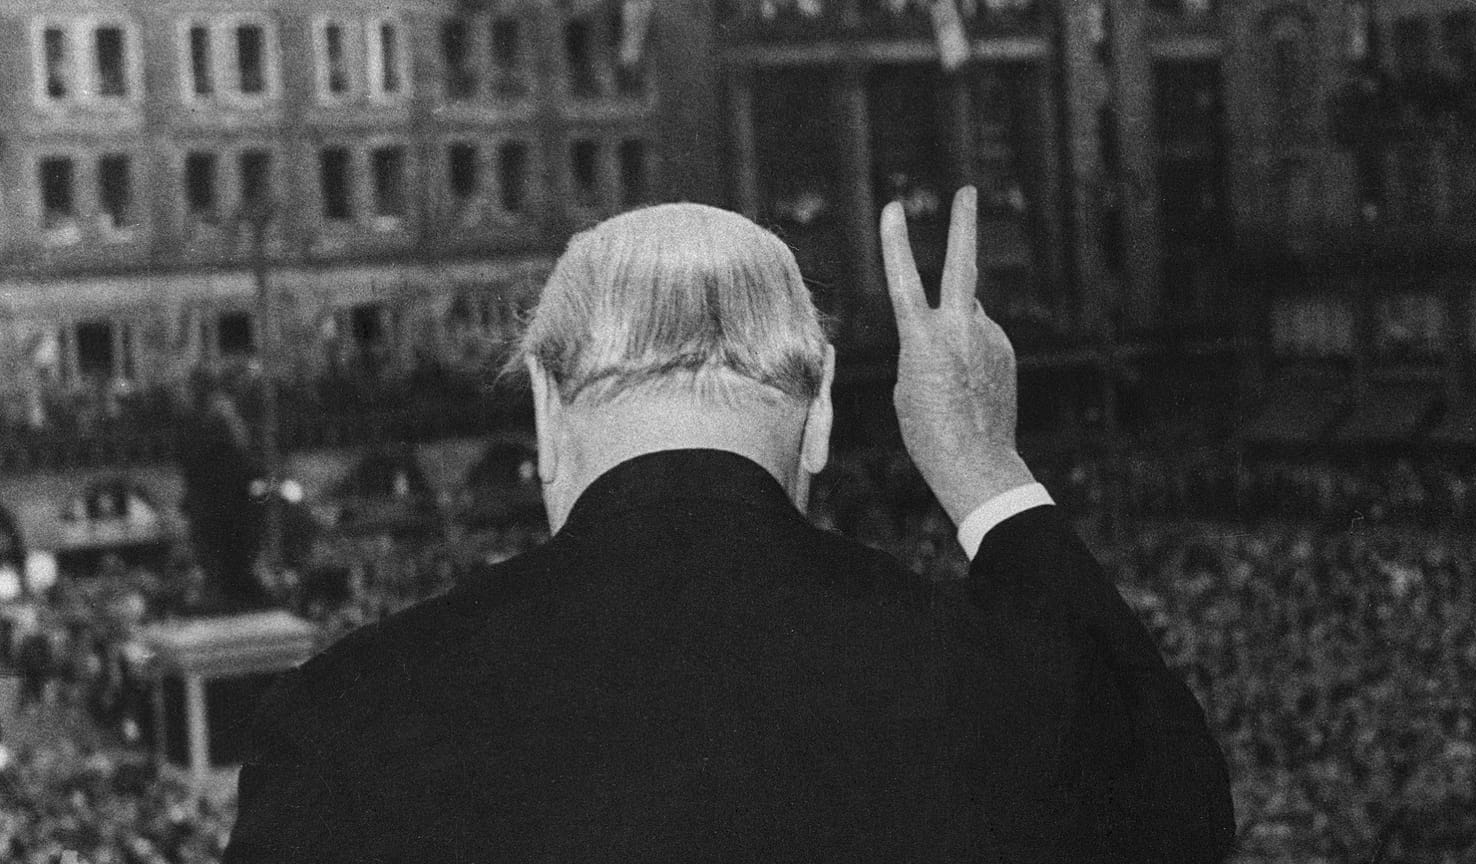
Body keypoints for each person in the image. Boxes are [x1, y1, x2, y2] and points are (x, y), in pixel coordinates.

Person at [225, 190, 1234, 862]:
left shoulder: (344, 718)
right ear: (823, 403)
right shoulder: (1002, 692)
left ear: (543, 402)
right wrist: (981, 463)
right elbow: (1182, 811)